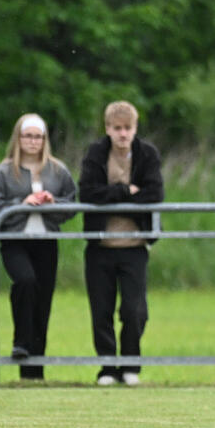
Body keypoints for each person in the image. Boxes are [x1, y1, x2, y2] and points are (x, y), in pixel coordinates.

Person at [78, 101, 164, 386]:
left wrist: (113, 199)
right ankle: (107, 368)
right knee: (100, 309)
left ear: (135, 129)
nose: (123, 134)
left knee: (134, 309)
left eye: (128, 128)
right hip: (99, 246)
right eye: (117, 128)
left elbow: (154, 194)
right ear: (108, 129)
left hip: (135, 245)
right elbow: (88, 193)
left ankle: (130, 364)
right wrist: (126, 191)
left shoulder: (147, 154)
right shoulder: (95, 154)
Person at [0, 113, 76, 380]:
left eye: (38, 136)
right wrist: (21, 204)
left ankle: (33, 372)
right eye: (28, 136)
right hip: (15, 241)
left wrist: (52, 203)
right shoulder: (3, 172)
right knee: (25, 282)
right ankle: (21, 342)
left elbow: (71, 203)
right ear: (18, 138)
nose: (33, 141)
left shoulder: (58, 171)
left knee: (43, 299)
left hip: (46, 242)